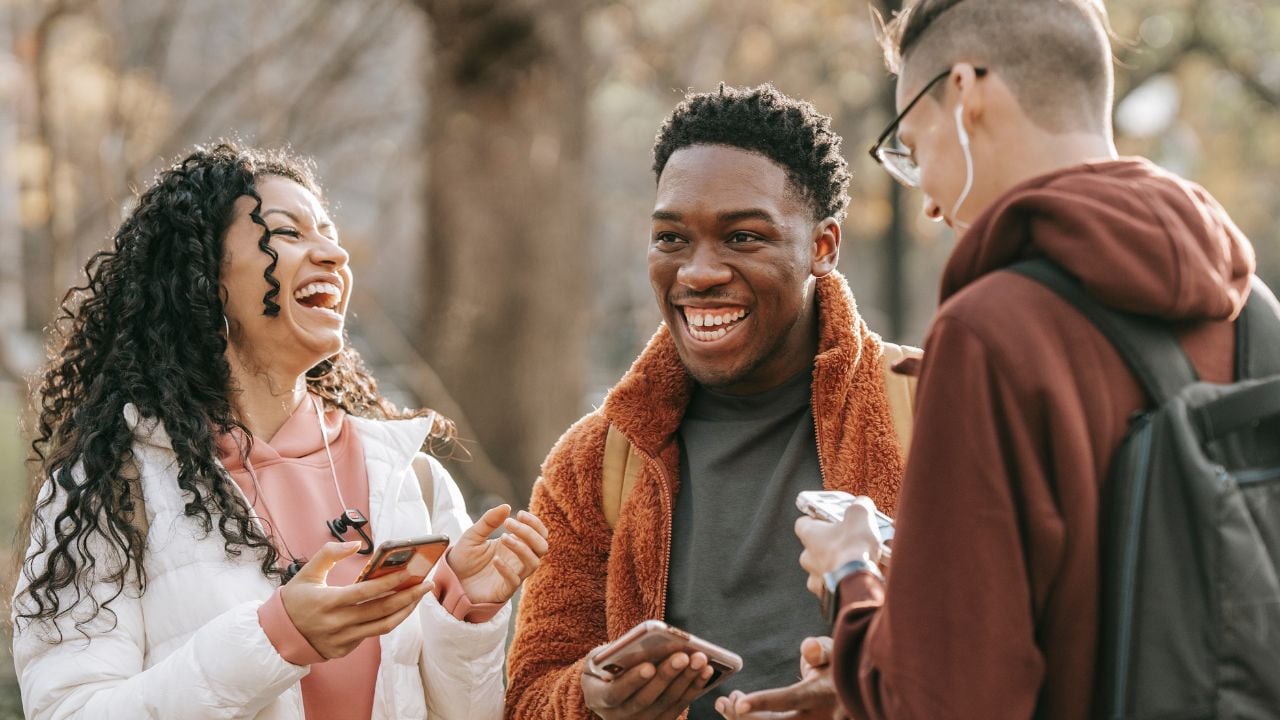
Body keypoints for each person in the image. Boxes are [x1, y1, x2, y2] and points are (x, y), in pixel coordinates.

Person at [771, 1, 1273, 719]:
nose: (930, 209)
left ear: (967, 93)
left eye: (911, 145)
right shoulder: (1255, 310)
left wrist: (853, 572)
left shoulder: (990, 335)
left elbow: (945, 703)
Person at [11, 143, 549, 720]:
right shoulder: (110, 489)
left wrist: (466, 614)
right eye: (288, 234)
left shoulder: (409, 476)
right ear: (203, 280)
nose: (335, 254)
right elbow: (69, 711)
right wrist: (275, 639)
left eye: (329, 233)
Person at [506, 84, 913, 719]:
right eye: (671, 238)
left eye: (744, 237)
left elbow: (1028, 650)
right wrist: (590, 699)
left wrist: (876, 693)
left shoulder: (932, 408)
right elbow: (530, 693)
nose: (698, 273)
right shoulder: (595, 463)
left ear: (823, 247)